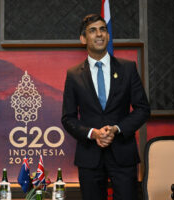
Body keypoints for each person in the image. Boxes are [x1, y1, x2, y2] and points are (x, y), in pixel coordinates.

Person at [61, 14, 150, 200]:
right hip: (89, 157)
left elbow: (142, 109)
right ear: (83, 39)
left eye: (103, 29)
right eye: (92, 30)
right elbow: (68, 118)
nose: (99, 34)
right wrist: (93, 133)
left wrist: (117, 129)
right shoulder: (74, 75)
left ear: (108, 36)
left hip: (123, 154)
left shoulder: (128, 68)